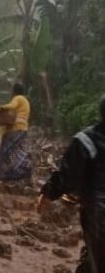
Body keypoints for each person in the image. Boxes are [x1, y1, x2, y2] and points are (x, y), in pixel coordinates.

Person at [37, 95, 105, 273]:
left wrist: (48, 192)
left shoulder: (87, 140)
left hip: (98, 215)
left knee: (97, 259)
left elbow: (68, 174)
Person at [0, 82, 32, 182]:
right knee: (18, 153)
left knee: (6, 152)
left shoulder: (18, 98)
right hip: (23, 130)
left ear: (15, 91)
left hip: (15, 129)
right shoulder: (26, 101)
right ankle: (21, 175)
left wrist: (0, 107)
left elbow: (11, 106)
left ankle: (3, 176)